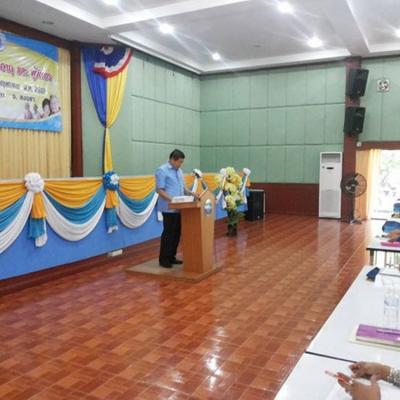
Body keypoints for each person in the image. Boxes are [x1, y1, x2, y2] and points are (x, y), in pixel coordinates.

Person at [155, 149, 197, 268]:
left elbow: (183, 188)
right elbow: (159, 190)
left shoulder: (179, 171)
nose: (181, 164)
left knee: (177, 233)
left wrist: (192, 193)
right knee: (169, 233)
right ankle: (164, 259)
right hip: (169, 208)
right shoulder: (162, 170)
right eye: (180, 162)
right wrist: (172, 200)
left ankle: (172, 257)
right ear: (173, 159)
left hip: (180, 207)